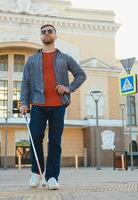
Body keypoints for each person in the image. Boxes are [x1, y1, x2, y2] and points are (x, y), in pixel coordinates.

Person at [20, 24, 86, 190]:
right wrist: (23, 102)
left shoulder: (65, 58)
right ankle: (37, 172)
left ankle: (52, 177)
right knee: (35, 138)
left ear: (55, 35)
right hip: (38, 104)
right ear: (40, 37)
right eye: (43, 32)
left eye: (50, 31)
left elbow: (81, 75)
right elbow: (25, 83)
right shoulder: (32, 60)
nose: (47, 34)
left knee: (55, 142)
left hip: (58, 105)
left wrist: (68, 88)